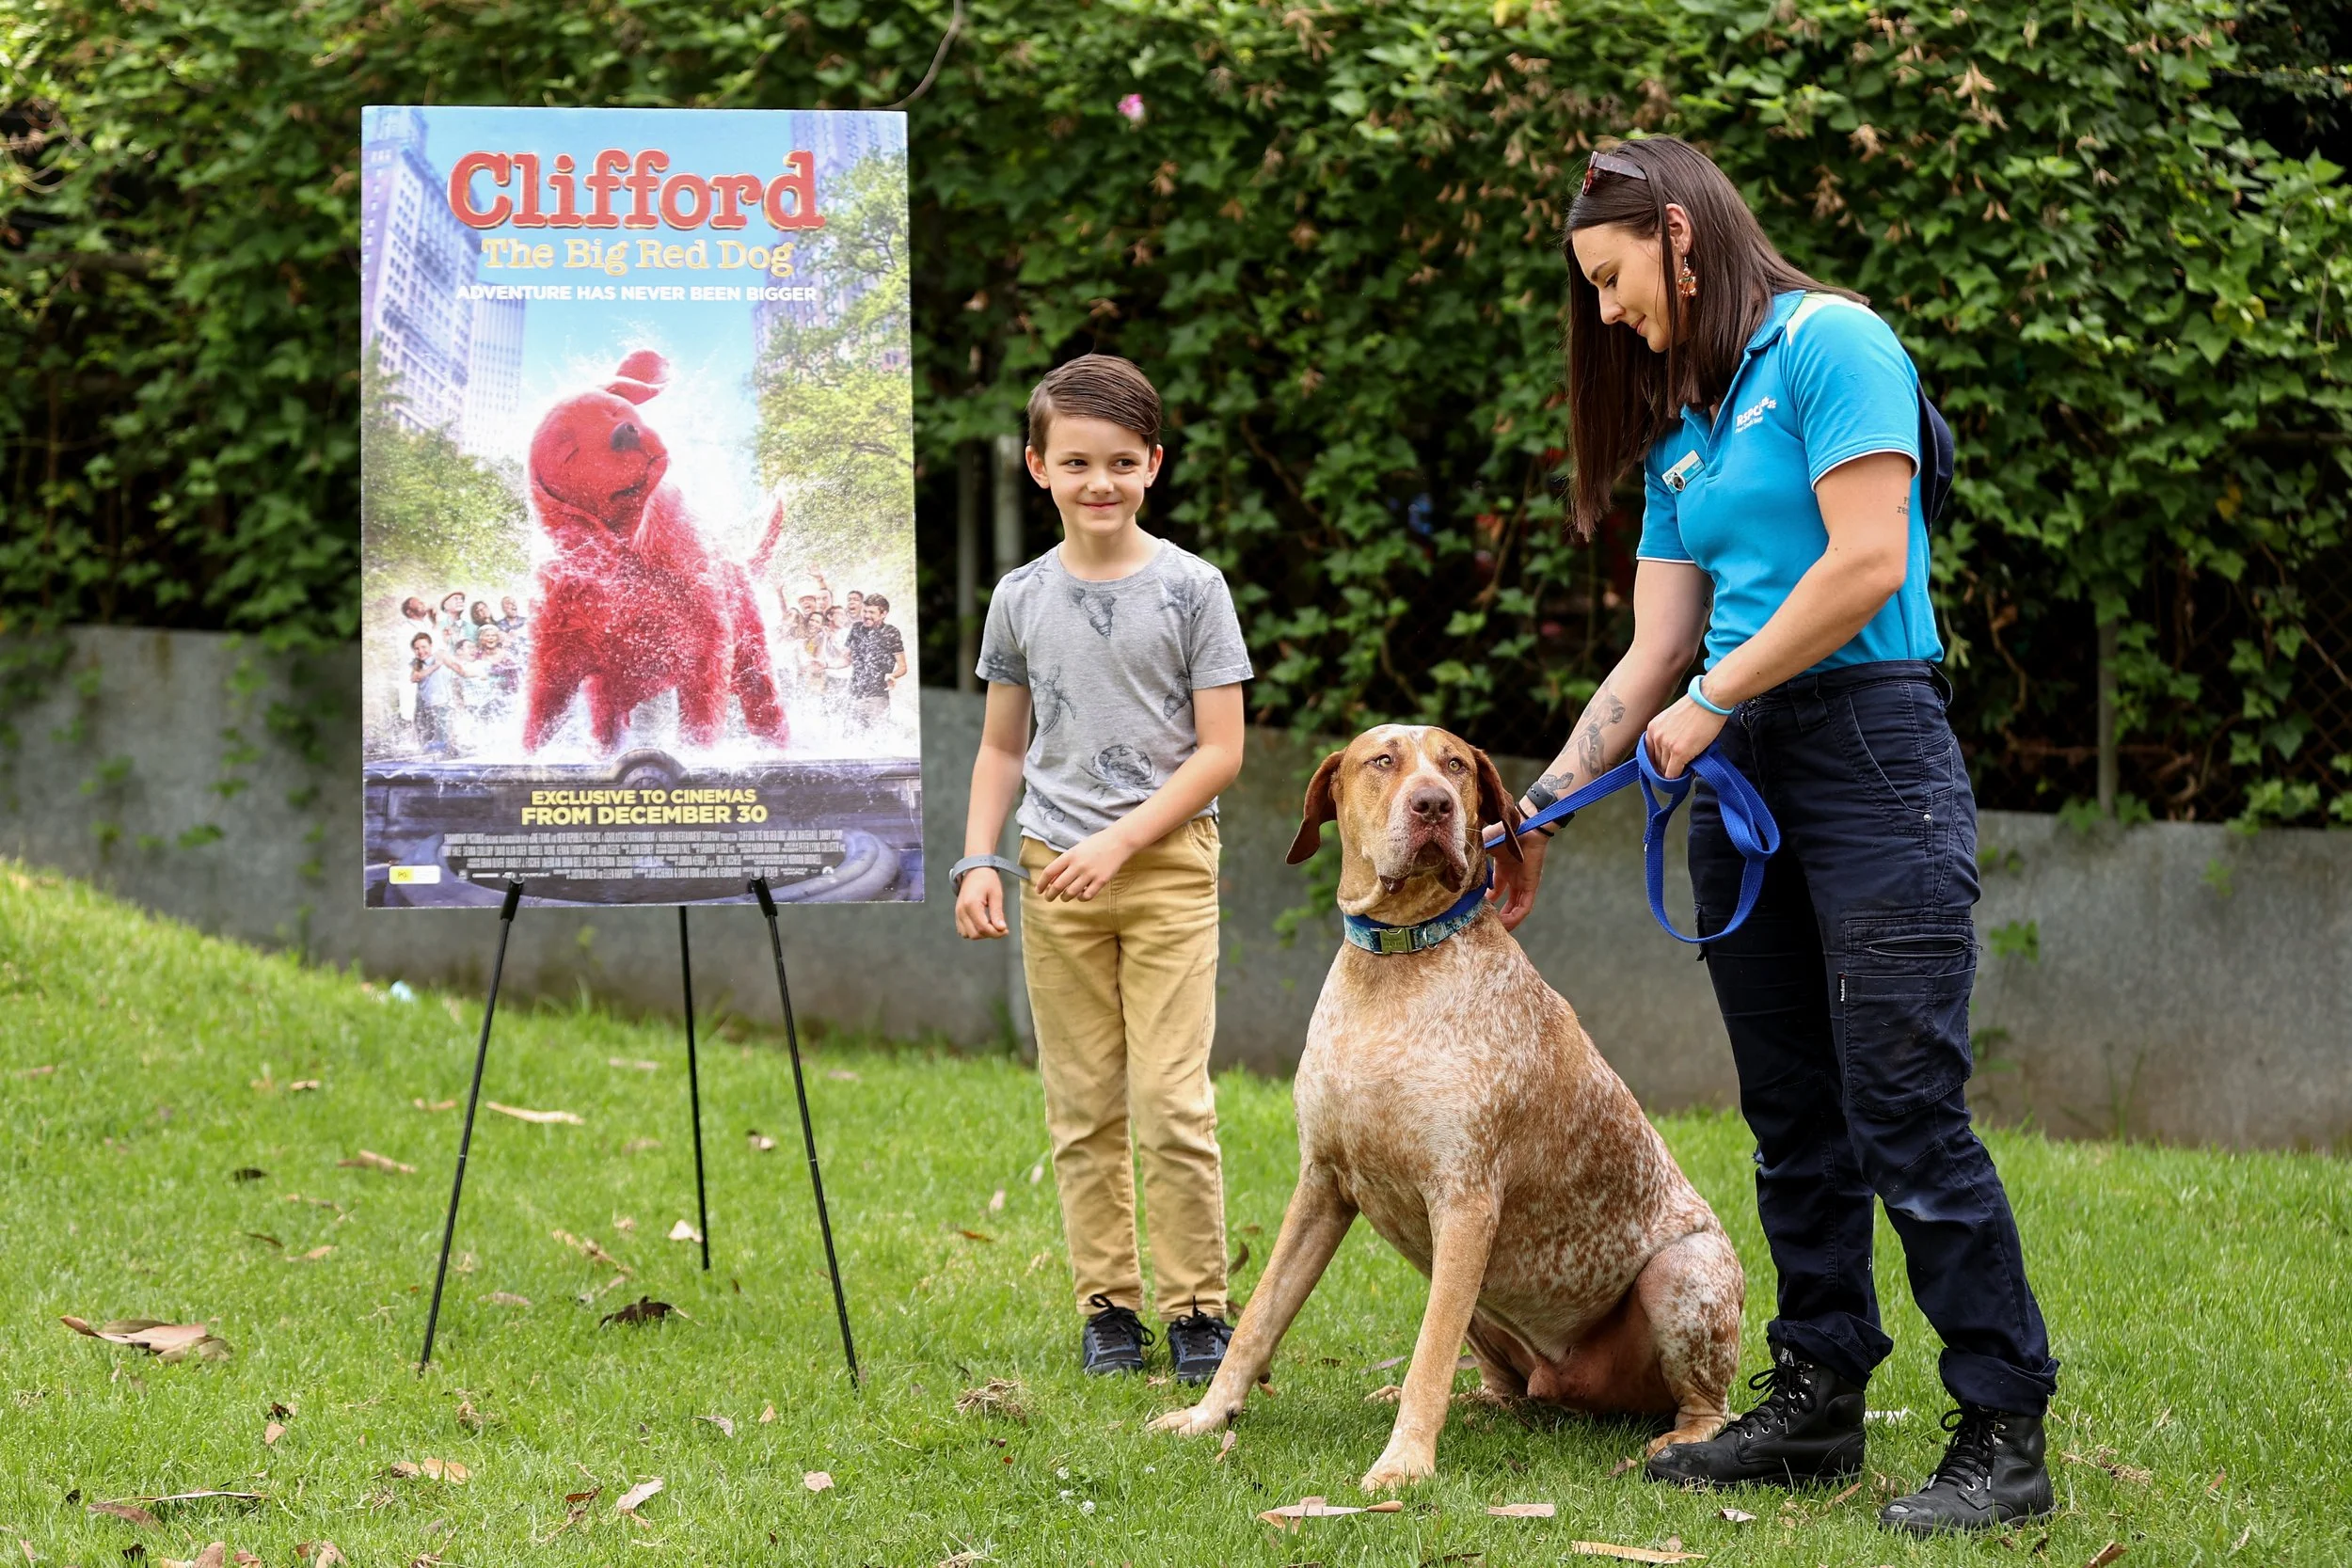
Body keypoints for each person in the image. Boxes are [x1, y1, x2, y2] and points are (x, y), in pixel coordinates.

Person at [1491, 136, 2058, 1536]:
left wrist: (1718, 695)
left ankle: (2003, 1423)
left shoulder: (1834, 342)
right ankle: (1817, 1390)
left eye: (1617, 280)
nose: (1610, 312)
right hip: (1737, 766)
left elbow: (1867, 558)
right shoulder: (1685, 427)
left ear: (1681, 236)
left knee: (1902, 1103)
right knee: (1792, 1106)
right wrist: (1543, 798)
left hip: (1869, 745)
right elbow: (1652, 648)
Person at [955, 354, 1252, 1386]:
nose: (1099, 482)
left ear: (1153, 464)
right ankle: (1108, 1307)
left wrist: (1123, 840)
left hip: (1165, 870)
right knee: (1083, 1103)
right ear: (1038, 467)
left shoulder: (1190, 590)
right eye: (1075, 461)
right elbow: (1001, 746)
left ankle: (1198, 1309)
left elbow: (1221, 749)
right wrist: (979, 858)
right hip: (1050, 875)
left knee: (1172, 1101)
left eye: (1121, 462)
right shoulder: (1020, 597)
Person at [844, 593, 906, 730]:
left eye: (871, 612)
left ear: (883, 614)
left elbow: (902, 667)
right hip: (854, 693)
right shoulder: (856, 628)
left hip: (877, 697)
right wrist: (824, 664)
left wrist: (892, 675)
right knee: (849, 737)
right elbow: (844, 659)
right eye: (864, 611)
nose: (866, 615)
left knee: (877, 739)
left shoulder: (891, 632)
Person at [406, 632, 457, 755]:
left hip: (440, 705)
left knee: (443, 739)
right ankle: (427, 762)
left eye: (424, 647)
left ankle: (445, 760)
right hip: (423, 708)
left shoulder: (438, 656)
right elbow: (415, 677)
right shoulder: (417, 663)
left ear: (431, 646)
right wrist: (436, 666)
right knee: (424, 740)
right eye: (417, 648)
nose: (420, 651)